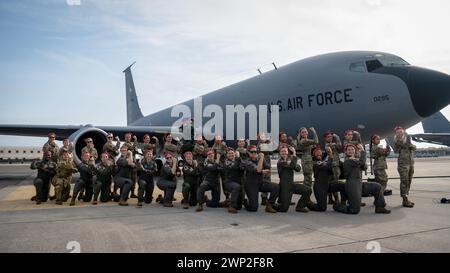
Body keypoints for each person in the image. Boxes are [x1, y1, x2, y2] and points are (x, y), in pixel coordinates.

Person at [334, 145, 390, 214]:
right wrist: (363, 151)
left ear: (355, 151)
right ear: (345, 152)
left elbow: (364, 167)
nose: (351, 151)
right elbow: (362, 163)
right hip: (352, 185)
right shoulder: (347, 161)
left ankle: (380, 207)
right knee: (354, 210)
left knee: (377, 186)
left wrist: (363, 164)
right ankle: (337, 206)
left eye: (352, 149)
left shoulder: (355, 160)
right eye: (348, 150)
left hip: (359, 184)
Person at [242, 145, 279, 213]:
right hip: (251, 185)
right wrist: (262, 158)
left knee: (276, 187)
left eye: (256, 151)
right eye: (252, 152)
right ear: (248, 153)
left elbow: (268, 168)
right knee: (253, 208)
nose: (254, 153)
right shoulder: (246, 161)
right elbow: (259, 169)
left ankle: (269, 205)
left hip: (260, 182)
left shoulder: (260, 159)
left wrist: (262, 161)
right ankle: (245, 202)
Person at [276, 145, 312, 213]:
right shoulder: (280, 162)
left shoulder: (291, 160)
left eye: (285, 151)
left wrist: (293, 162)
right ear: (280, 153)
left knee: (308, 190)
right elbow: (292, 165)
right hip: (284, 187)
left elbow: (298, 169)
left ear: (288, 152)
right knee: (284, 209)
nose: (284, 153)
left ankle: (300, 207)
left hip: (291, 185)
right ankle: (272, 205)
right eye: (282, 151)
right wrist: (294, 154)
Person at [309, 147, 346, 212]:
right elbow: (328, 167)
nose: (318, 153)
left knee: (343, 185)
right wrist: (331, 156)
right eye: (316, 152)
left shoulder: (324, 162)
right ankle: (308, 203)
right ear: (313, 155)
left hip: (329, 185)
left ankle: (341, 203)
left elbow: (331, 169)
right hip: (320, 187)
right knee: (322, 208)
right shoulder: (314, 163)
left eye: (319, 152)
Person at [394, 126, 416, 208]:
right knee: (404, 181)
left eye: (401, 132)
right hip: (403, 164)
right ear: (396, 134)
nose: (399, 133)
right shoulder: (397, 141)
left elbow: (414, 147)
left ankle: (406, 197)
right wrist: (405, 142)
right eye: (398, 132)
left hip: (410, 163)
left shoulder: (407, 139)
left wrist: (412, 146)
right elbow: (396, 150)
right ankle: (404, 200)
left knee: (409, 180)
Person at [222, 148, 245, 213]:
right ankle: (231, 206)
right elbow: (234, 167)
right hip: (229, 182)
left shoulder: (238, 161)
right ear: (226, 155)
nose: (231, 154)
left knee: (239, 207)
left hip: (238, 183)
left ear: (234, 154)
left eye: (232, 153)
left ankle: (227, 202)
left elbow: (243, 166)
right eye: (229, 153)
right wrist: (238, 158)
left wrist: (239, 160)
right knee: (236, 187)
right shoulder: (225, 163)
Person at [323, 131, 342, 204]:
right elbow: (339, 147)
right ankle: (336, 199)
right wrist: (337, 138)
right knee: (335, 182)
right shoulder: (329, 145)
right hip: (334, 166)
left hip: (333, 165)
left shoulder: (329, 144)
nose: (330, 138)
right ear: (325, 138)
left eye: (331, 136)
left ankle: (330, 199)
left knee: (330, 182)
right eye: (328, 137)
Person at [123, 133, 138, 198]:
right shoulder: (125, 144)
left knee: (134, 179)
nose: (128, 138)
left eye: (129, 137)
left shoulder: (131, 143)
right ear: (125, 138)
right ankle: (126, 194)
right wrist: (136, 140)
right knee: (128, 179)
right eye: (127, 137)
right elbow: (132, 147)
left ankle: (132, 193)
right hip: (128, 164)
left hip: (133, 162)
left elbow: (135, 150)